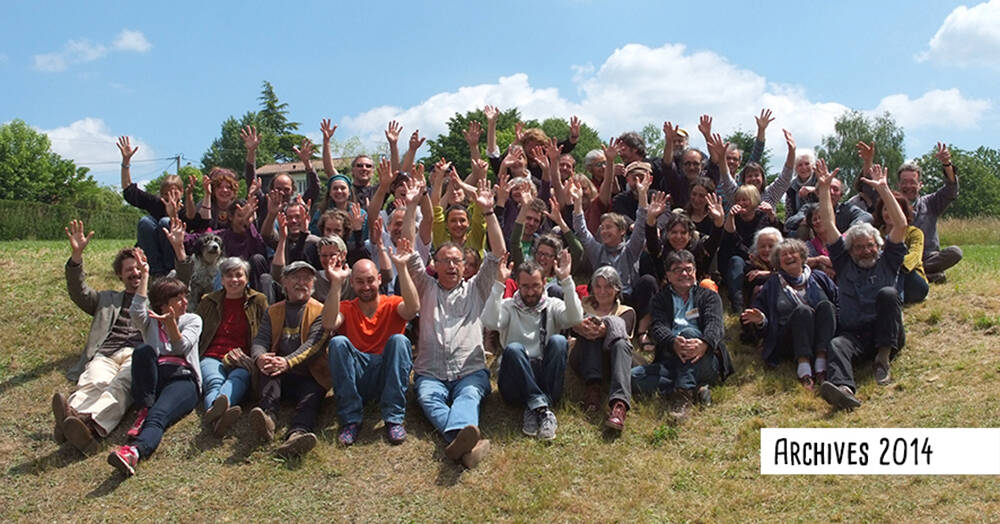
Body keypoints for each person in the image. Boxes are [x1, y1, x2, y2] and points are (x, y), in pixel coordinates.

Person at [406, 177, 505, 468]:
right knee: (427, 398)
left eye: (456, 261)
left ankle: (458, 440)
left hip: (470, 372)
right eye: (444, 261)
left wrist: (488, 212)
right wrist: (412, 205)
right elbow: (410, 248)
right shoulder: (425, 287)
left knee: (468, 398)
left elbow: (497, 254)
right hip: (430, 373)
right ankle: (467, 444)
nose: (451, 265)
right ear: (434, 265)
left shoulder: (477, 288)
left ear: (465, 266)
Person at [812, 162, 907, 410]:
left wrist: (884, 189)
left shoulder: (889, 260)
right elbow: (830, 226)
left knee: (888, 293)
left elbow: (901, 225)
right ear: (850, 250)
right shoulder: (844, 263)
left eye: (870, 246)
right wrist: (823, 191)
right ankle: (844, 390)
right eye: (859, 247)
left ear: (878, 246)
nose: (865, 250)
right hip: (855, 335)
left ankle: (883, 360)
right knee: (836, 344)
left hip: (886, 331)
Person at [53, 220, 146, 455]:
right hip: (106, 353)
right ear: (119, 275)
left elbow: (182, 283)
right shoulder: (106, 299)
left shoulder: (154, 296)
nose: (134, 273)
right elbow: (78, 291)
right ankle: (70, 417)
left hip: (137, 353)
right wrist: (76, 257)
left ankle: (90, 427)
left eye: (138, 268)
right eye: (128, 270)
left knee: (121, 385)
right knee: (92, 381)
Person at [108, 251, 203, 477]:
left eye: (184, 297)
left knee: (158, 416)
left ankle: (134, 451)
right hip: (155, 375)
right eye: (178, 299)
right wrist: (146, 274)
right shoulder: (150, 322)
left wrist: (171, 325)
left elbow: (181, 348)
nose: (184, 302)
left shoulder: (192, 319)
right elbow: (136, 310)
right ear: (162, 304)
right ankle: (145, 405)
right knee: (142, 351)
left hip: (182, 378)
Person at [322, 240, 420, 446]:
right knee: (338, 342)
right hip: (357, 377)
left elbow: (412, 309)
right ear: (353, 283)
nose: (366, 287)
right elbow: (329, 323)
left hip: (387, 376)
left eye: (370, 280)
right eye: (359, 281)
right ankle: (350, 420)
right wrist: (337, 284)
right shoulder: (346, 307)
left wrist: (401, 267)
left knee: (400, 341)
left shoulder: (392, 304)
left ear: (379, 279)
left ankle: (393, 418)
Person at [484, 252, 583, 441]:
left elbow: (575, 318)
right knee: (513, 349)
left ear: (544, 283)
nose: (530, 292)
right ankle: (541, 408)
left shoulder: (553, 305)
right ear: (518, 285)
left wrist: (567, 281)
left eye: (535, 286)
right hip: (514, 384)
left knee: (559, 341)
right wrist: (498, 285)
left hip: (546, 380)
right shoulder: (508, 306)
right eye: (525, 287)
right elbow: (490, 322)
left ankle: (534, 406)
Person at [631, 250, 733, 420]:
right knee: (633, 377)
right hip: (672, 356)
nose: (684, 274)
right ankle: (694, 387)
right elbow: (658, 327)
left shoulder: (708, 296)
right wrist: (672, 342)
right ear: (669, 275)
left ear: (695, 271)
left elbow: (715, 326)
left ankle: (683, 396)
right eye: (678, 270)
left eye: (689, 269)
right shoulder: (660, 299)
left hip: (706, 358)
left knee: (688, 332)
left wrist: (705, 343)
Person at [247, 261, 329, 458]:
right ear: (284, 282)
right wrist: (259, 357)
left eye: (307, 279)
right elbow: (260, 339)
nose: (301, 283)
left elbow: (312, 345)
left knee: (311, 396)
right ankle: (268, 420)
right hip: (279, 372)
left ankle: (297, 435)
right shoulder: (273, 310)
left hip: (310, 373)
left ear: (313, 284)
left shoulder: (321, 311)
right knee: (269, 370)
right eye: (296, 278)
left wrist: (287, 362)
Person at [740, 239, 838, 390]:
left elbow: (838, 303)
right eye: (783, 255)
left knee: (826, 306)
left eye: (792, 253)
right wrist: (761, 320)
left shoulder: (819, 277)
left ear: (802, 256)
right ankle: (804, 368)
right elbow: (764, 325)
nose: (788, 257)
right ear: (779, 262)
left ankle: (821, 364)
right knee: (802, 311)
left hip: (821, 336)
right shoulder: (772, 284)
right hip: (789, 339)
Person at [195, 257, 268, 437]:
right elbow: (198, 330)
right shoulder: (208, 301)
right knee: (214, 383)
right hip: (212, 354)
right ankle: (219, 415)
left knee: (238, 378)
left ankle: (213, 412)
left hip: (243, 357)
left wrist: (255, 356)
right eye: (229, 275)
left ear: (247, 278)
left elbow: (267, 330)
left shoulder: (259, 300)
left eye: (239, 275)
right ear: (221, 279)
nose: (234, 280)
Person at [570, 266, 634, 432]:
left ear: (617, 289)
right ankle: (593, 389)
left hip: (611, 363)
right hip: (583, 358)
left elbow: (623, 330)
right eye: (598, 286)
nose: (602, 291)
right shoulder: (580, 307)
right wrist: (579, 326)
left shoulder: (626, 312)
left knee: (620, 343)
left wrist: (606, 327)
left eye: (608, 286)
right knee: (590, 332)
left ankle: (619, 406)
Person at [117, 136, 190, 277]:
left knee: (165, 222)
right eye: (167, 191)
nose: (171, 194)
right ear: (162, 194)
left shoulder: (188, 210)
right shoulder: (156, 202)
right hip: (154, 252)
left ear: (182, 192)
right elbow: (129, 191)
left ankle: (170, 271)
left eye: (176, 190)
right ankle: (156, 272)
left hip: (177, 257)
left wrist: (173, 214)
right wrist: (126, 162)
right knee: (145, 221)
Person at [898, 143, 962, 283]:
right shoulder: (890, 205)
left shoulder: (931, 203)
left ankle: (917, 272)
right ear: (898, 185)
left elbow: (951, 190)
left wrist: (947, 164)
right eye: (904, 182)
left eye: (912, 182)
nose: (908, 186)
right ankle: (928, 275)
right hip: (901, 258)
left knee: (955, 252)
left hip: (928, 258)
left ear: (920, 185)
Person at [719, 185, 778, 313]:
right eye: (739, 200)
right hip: (741, 259)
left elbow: (776, 235)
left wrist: (772, 215)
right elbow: (729, 238)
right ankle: (737, 305)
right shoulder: (735, 218)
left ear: (754, 200)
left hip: (763, 260)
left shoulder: (762, 216)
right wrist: (730, 217)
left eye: (745, 199)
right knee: (736, 261)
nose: (741, 203)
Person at [873, 192, 928, 304]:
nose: (890, 213)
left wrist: (894, 262)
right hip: (882, 282)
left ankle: (896, 304)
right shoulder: (874, 234)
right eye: (885, 209)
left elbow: (915, 255)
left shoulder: (914, 233)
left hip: (913, 284)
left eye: (894, 209)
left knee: (897, 264)